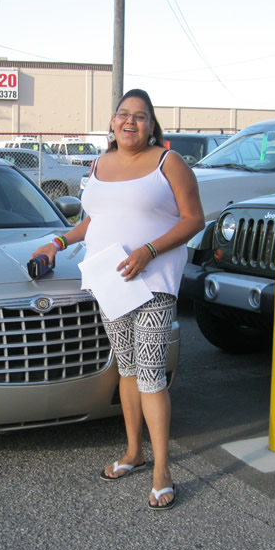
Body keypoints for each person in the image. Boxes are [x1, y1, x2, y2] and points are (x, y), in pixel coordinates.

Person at [31, 88, 205, 511]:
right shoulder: (99, 164)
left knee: (149, 374)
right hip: (110, 283)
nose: (131, 122)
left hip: (153, 283)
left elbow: (194, 219)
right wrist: (56, 242)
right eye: (123, 114)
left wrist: (149, 250)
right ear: (112, 122)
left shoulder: (169, 163)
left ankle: (162, 469)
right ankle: (134, 451)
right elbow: (95, 220)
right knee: (126, 369)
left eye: (140, 116)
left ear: (151, 125)